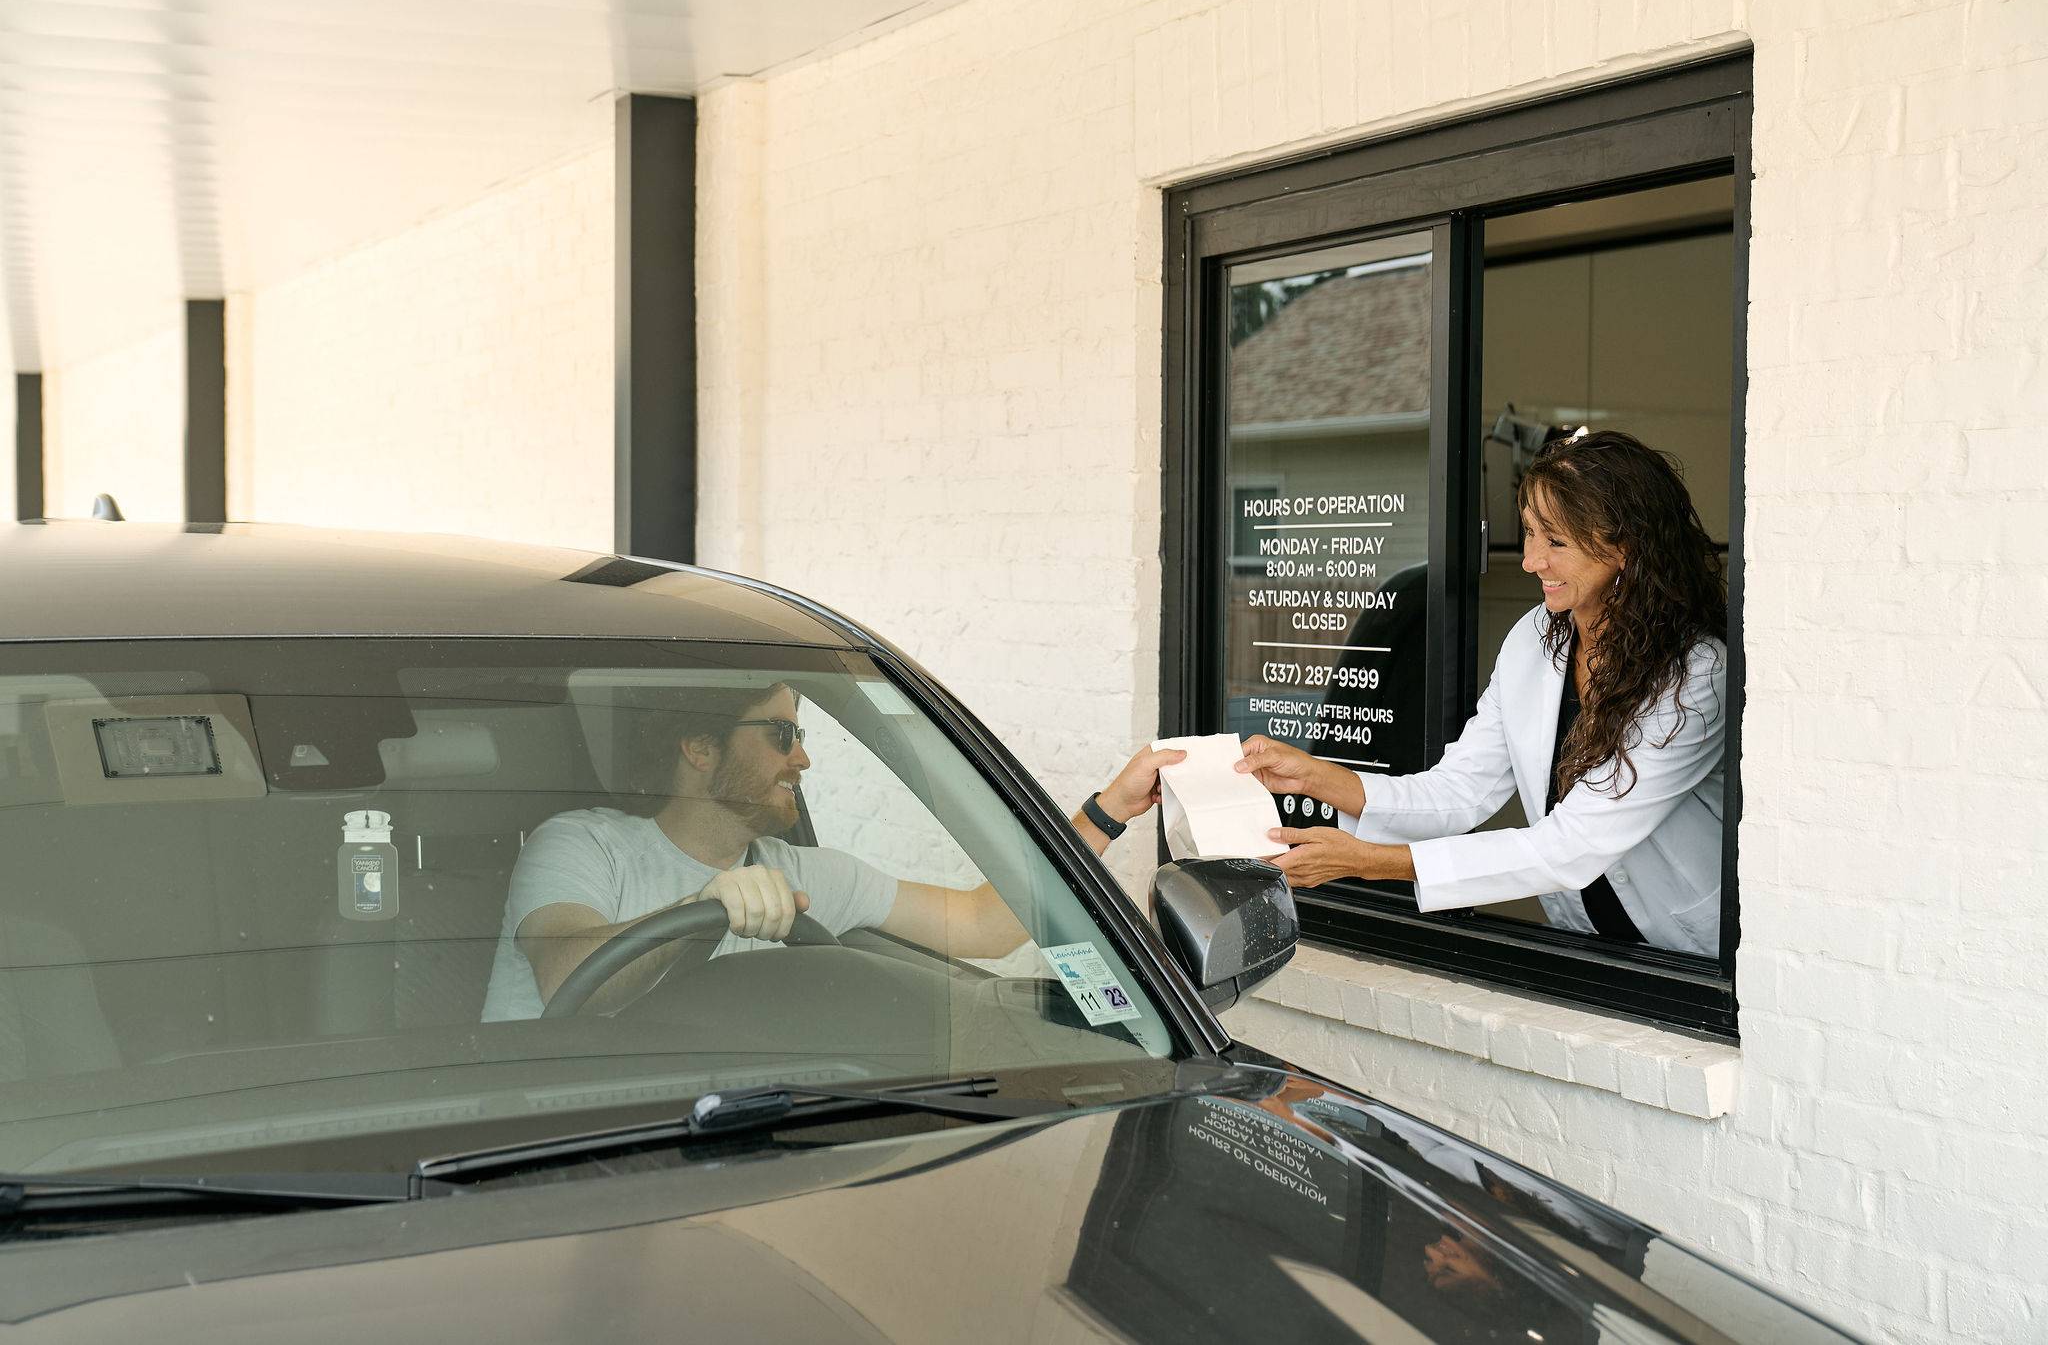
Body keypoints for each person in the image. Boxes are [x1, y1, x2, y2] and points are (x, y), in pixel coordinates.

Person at [1236, 429, 1727, 956]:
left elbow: (1570, 846)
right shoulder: (1535, 639)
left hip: (1687, 959)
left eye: (1555, 541)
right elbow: (1458, 792)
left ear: (1626, 546)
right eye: (1529, 534)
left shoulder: (1695, 675)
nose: (1530, 560)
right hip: (1586, 943)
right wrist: (1316, 777)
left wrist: (1369, 861)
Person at [482, 680, 1185, 1020]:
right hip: (542, 1148)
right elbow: (565, 974)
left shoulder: (805, 876)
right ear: (700, 749)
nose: (804, 761)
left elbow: (986, 925)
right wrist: (703, 910)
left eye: (803, 736)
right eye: (781, 736)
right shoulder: (584, 844)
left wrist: (1110, 809)